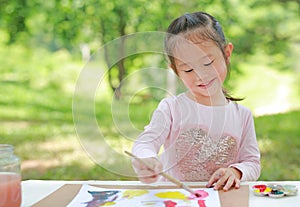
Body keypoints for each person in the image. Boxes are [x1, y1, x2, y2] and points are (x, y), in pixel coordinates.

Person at [132, 11, 260, 191]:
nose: (201, 75)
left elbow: (252, 163)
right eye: (188, 70)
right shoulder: (171, 108)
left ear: (227, 53)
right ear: (176, 70)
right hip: (176, 199)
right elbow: (145, 143)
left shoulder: (242, 116)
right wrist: (145, 159)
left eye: (207, 63)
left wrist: (236, 172)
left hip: (221, 199)